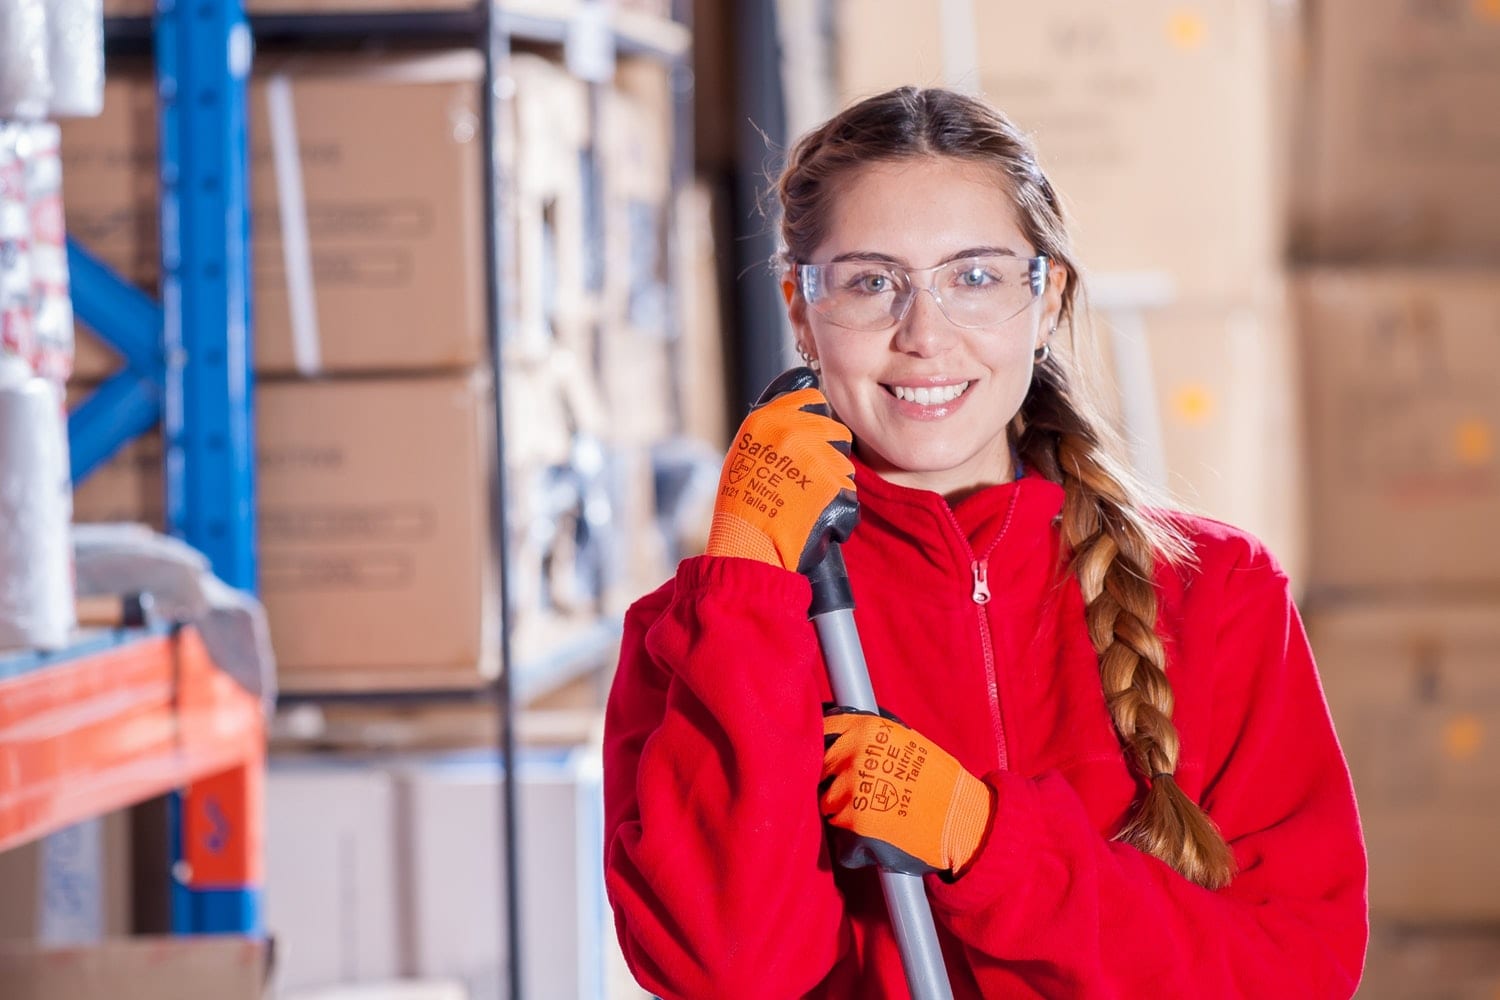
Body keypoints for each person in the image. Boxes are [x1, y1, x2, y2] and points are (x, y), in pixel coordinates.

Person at [602, 86, 1368, 998]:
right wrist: (744, 590)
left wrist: (987, 842)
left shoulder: (1218, 592)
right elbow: (728, 973)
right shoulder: (707, 632)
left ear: (1047, 302)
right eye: (869, 281)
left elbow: (1297, 972)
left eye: (974, 276)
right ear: (801, 312)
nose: (924, 336)